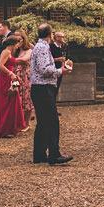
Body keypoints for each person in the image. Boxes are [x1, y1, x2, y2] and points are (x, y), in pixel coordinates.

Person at [30, 23, 73, 164]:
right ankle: (54, 154)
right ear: (50, 34)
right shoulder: (42, 47)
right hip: (43, 88)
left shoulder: (39, 46)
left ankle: (39, 154)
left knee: (42, 122)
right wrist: (61, 71)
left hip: (39, 88)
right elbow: (44, 69)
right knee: (52, 121)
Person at [0, 35, 25, 138]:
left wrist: (14, 76)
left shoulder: (9, 52)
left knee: (12, 103)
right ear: (13, 44)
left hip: (9, 78)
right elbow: (0, 65)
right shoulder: (6, 52)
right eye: (16, 45)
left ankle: (11, 128)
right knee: (5, 104)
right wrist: (11, 74)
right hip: (4, 79)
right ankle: (4, 130)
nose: (17, 47)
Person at [13, 31, 35, 131]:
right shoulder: (15, 51)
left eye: (20, 39)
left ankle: (27, 124)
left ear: (24, 39)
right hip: (15, 77)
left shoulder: (29, 50)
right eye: (16, 40)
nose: (18, 42)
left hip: (26, 77)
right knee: (17, 99)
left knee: (27, 100)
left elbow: (25, 59)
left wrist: (10, 59)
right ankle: (18, 122)